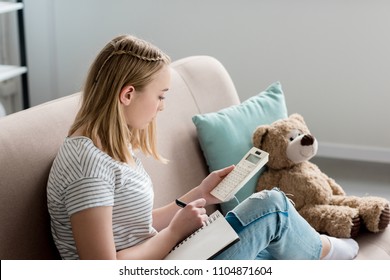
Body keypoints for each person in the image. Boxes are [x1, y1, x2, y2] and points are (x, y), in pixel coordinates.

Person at [46, 34, 359, 260]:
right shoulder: (87, 168)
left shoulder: (107, 148)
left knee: (269, 244)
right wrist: (173, 234)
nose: (162, 107)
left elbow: (135, 225)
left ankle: (313, 250)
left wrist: (200, 194)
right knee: (271, 207)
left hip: (166, 258)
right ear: (127, 95)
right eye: (160, 95)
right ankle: (322, 252)